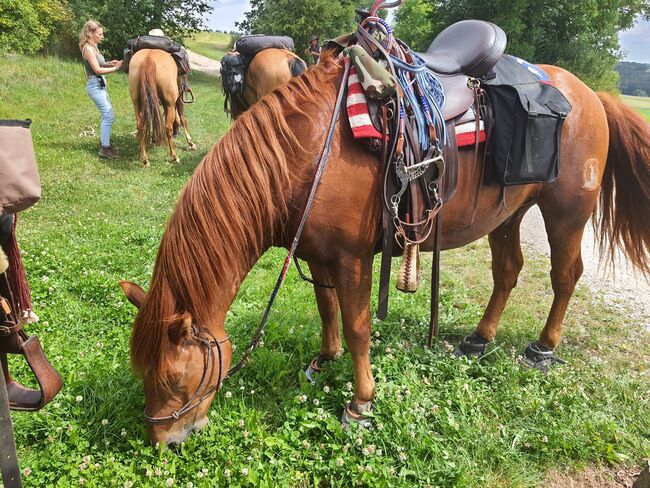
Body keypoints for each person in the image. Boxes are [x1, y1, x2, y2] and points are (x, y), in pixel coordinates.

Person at [79, 20, 123, 159]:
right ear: (90, 33)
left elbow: (100, 64)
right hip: (95, 86)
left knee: (107, 115)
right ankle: (105, 148)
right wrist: (115, 69)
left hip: (100, 85)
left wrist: (110, 63)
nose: (102, 36)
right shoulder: (88, 49)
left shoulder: (94, 47)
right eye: (99, 34)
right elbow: (97, 70)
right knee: (108, 115)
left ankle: (105, 144)